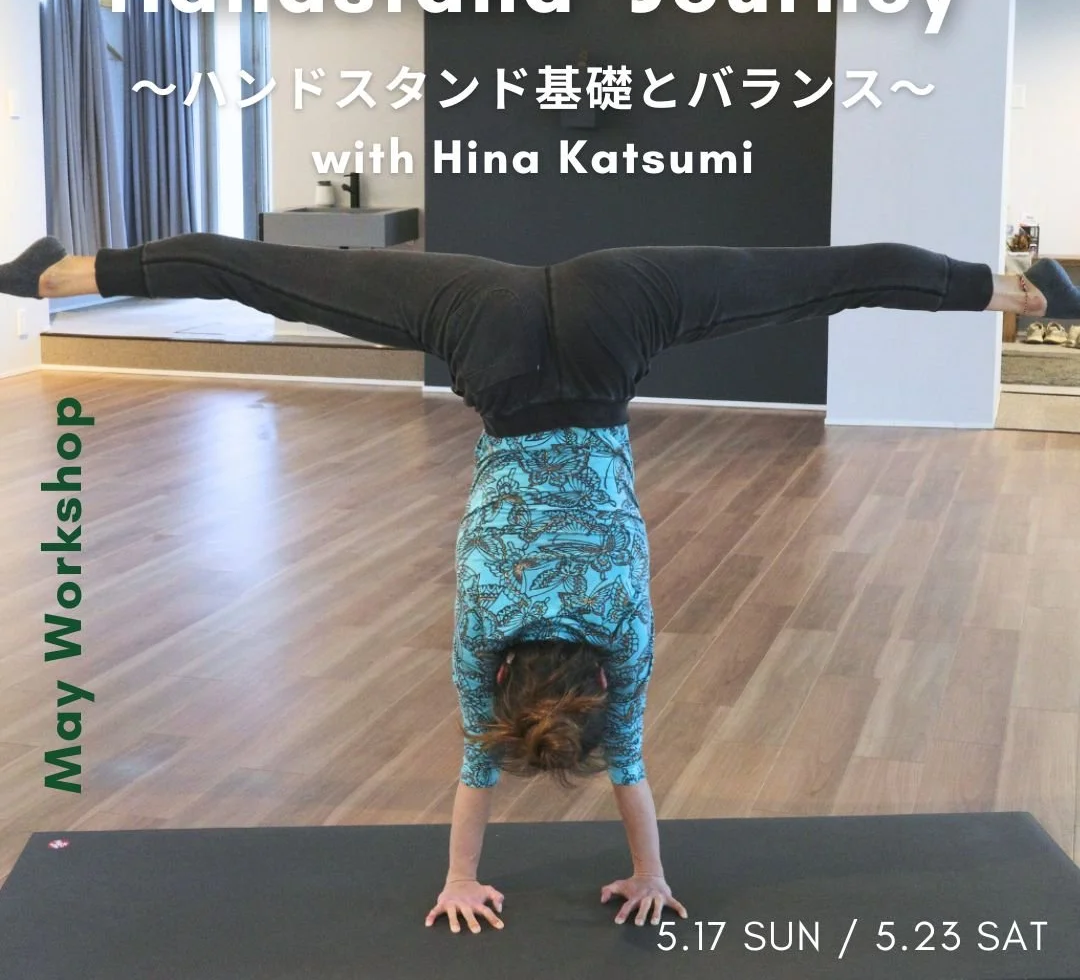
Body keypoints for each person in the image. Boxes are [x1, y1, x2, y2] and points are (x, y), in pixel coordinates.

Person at [2, 233, 1073, 935]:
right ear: (512, 682)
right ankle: (1020, 290)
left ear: (593, 687)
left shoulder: (622, 641)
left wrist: (651, 876)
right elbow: (478, 772)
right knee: (273, 272)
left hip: (616, 320)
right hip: (490, 338)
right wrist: (458, 878)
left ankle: (59, 275)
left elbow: (630, 774)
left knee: (814, 281)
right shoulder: (485, 641)